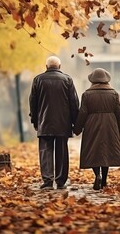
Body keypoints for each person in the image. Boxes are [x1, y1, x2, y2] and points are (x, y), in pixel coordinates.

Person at [29, 56, 79, 190]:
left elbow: (33, 102)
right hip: (63, 123)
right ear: (60, 67)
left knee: (45, 151)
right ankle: (61, 181)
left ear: (46, 67)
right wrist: (75, 122)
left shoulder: (38, 80)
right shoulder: (67, 80)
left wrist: (35, 120)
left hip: (44, 122)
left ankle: (47, 181)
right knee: (62, 152)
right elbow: (74, 102)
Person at [73, 68, 120, 190]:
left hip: (92, 125)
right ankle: (104, 180)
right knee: (106, 153)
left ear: (92, 81)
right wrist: (119, 130)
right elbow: (119, 112)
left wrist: (77, 129)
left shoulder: (87, 94)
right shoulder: (114, 94)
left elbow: (83, 113)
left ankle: (97, 175)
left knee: (93, 152)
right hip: (110, 125)